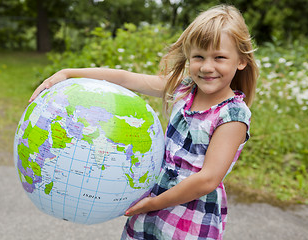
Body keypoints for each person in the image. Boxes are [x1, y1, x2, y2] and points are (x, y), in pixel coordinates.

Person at [29, 4, 258, 240]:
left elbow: (207, 179)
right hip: (153, 204)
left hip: (189, 218)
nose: (207, 67)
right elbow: (127, 78)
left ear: (241, 61)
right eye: (199, 57)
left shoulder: (232, 115)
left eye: (219, 57)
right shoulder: (184, 89)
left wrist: (154, 203)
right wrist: (69, 73)